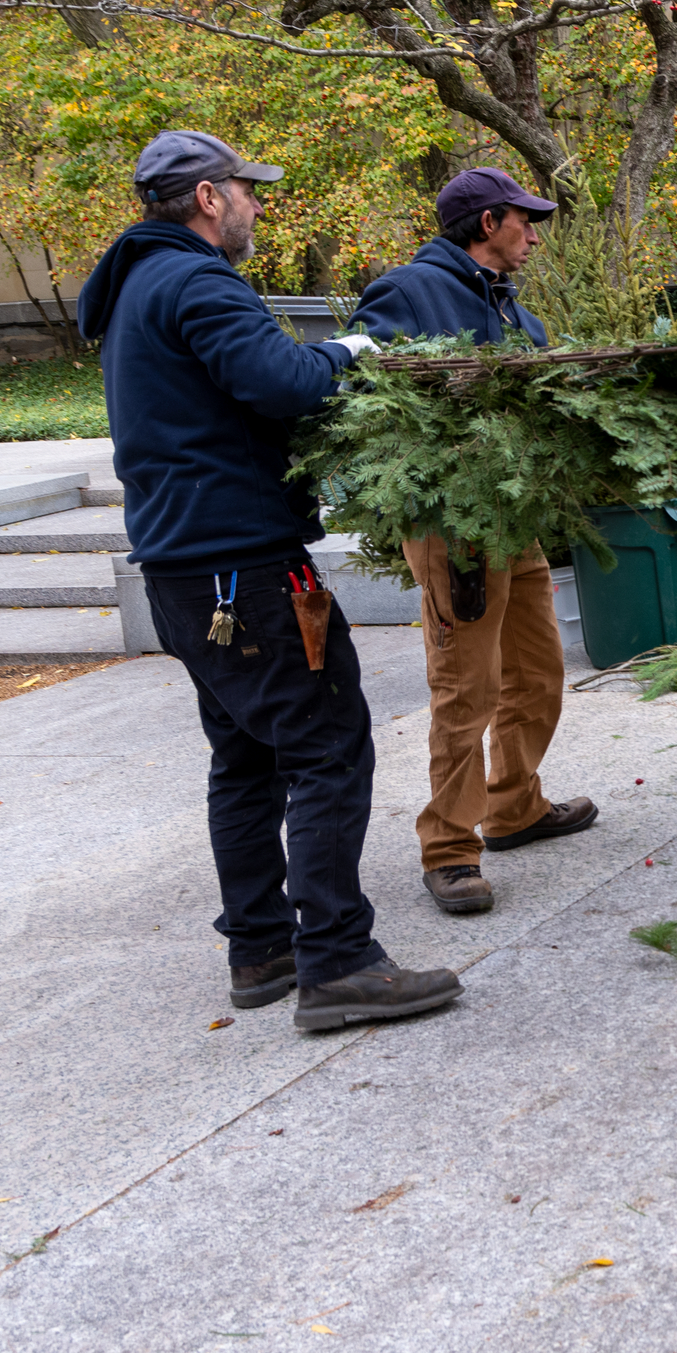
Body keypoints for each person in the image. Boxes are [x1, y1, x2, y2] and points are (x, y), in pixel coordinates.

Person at [77, 129, 463, 1032]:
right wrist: (351, 355)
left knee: (246, 756)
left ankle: (261, 947)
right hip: (243, 565)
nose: (258, 204)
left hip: (184, 569)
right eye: (248, 190)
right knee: (327, 746)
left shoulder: (138, 284)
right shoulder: (198, 279)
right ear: (209, 198)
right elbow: (282, 381)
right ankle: (338, 962)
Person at [350, 168, 599, 915]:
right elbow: (377, 389)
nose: (534, 234)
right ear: (488, 222)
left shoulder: (512, 307)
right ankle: (451, 850)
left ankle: (514, 806)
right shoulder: (407, 291)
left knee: (539, 671)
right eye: (526, 220)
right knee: (467, 685)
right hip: (453, 528)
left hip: (513, 521)